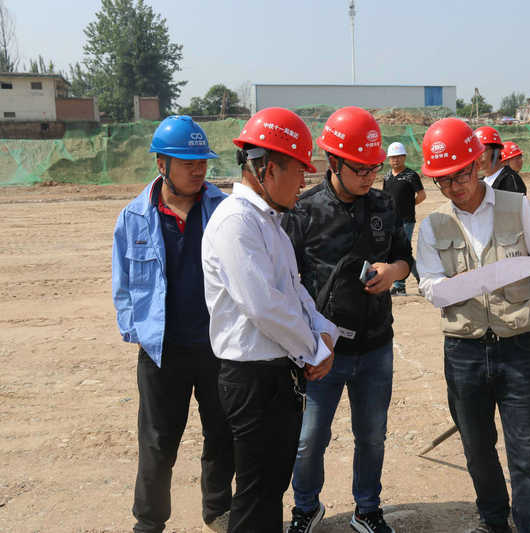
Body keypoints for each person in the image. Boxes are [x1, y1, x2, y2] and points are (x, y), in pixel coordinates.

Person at [416, 117, 530, 533]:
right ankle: (494, 521)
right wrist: (447, 288)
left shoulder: (516, 206)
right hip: (463, 351)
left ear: (477, 164)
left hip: (517, 346)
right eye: (443, 181)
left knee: (526, 451)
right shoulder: (433, 224)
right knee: (477, 448)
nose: (454, 187)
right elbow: (428, 283)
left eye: (460, 175)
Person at [201, 108, 338, 533]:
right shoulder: (236, 223)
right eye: (299, 171)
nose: (304, 182)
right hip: (251, 379)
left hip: (278, 374)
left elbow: (293, 293)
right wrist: (313, 350)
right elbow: (263, 306)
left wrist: (324, 334)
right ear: (268, 168)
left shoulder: (270, 224)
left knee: (272, 486)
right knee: (256, 493)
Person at [282, 106, 412, 533]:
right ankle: (306, 508)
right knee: (309, 439)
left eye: (374, 167)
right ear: (333, 161)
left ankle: (367, 509)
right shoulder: (304, 211)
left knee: (372, 435)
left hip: (376, 346)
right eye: (360, 168)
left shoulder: (383, 203)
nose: (369, 176)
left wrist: (393, 272)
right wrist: (305, 342)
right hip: (323, 351)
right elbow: (286, 280)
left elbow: (404, 257)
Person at [111, 115, 234, 533]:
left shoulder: (223, 210)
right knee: (158, 442)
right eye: (188, 163)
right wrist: (139, 332)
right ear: (161, 164)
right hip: (161, 351)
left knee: (222, 433)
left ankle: (217, 510)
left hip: (216, 345)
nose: (198, 170)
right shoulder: (134, 216)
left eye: (202, 162)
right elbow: (123, 285)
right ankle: (149, 522)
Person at [382, 141, 425, 295]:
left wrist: (409, 206)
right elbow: (385, 198)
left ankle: (400, 286)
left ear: (404, 157)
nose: (395, 160)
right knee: (397, 251)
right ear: (389, 159)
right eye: (393, 157)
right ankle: (421, 277)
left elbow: (422, 195)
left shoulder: (411, 175)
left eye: (399, 156)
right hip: (390, 221)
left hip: (406, 220)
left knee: (401, 251)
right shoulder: (387, 176)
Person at [475, 125, 527, 194]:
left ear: (497, 151)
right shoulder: (480, 182)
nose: (477, 157)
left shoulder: (510, 181)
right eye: (475, 152)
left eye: (482, 151)